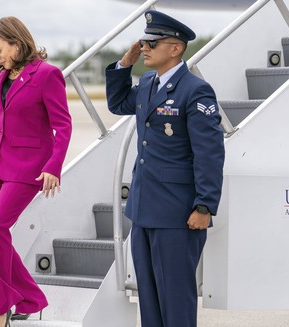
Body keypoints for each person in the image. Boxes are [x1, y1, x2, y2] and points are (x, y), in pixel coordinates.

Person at [104, 10, 225, 327]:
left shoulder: (195, 91)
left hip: (176, 213)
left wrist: (205, 204)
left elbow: (209, 153)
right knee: (150, 300)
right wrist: (124, 66)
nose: (145, 47)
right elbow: (118, 104)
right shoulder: (147, 83)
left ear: (175, 48)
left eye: (152, 43)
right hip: (144, 210)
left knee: (175, 300)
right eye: (144, 41)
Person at [0, 16, 72, 327]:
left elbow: (63, 125)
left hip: (28, 166)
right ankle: (30, 298)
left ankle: (0, 310)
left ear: (17, 44)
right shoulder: (1, 76)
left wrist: (53, 166)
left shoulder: (47, 75)